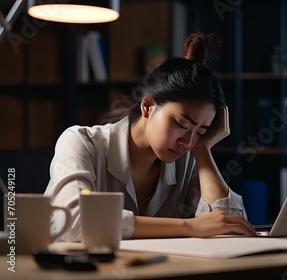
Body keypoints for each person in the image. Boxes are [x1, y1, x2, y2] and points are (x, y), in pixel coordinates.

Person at [44, 32, 255, 241]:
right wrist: (189, 226)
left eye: (200, 132)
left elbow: (231, 229)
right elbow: (74, 223)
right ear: (147, 107)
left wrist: (203, 150)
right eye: (182, 124)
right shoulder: (81, 143)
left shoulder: (189, 157)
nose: (187, 142)